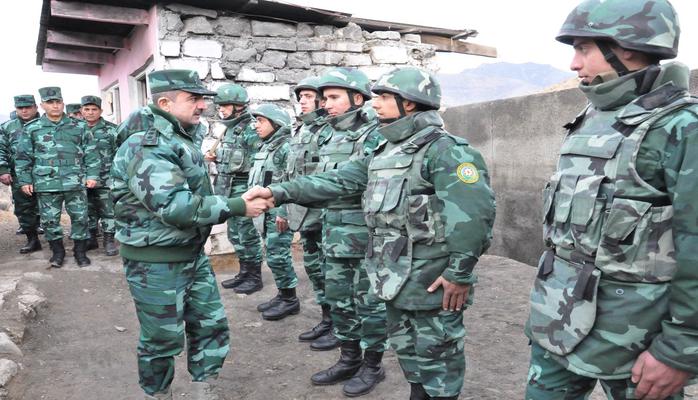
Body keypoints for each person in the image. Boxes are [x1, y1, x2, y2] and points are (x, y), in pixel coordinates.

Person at [245, 66, 495, 399]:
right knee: (408, 350)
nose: (375, 104)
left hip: (432, 278)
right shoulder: (386, 150)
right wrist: (277, 192)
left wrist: (459, 273)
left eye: (385, 97)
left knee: (438, 354)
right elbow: (337, 180)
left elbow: (475, 217)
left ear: (410, 103)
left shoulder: (446, 150)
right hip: (393, 273)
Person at [525, 1, 698, 399]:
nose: (573, 63)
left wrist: (680, 349)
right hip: (558, 323)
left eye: (583, 49)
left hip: (635, 341)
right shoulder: (590, 116)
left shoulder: (681, 128)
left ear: (628, 48)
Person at [111, 69, 271, 400]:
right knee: (162, 338)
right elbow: (176, 207)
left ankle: (202, 389)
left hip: (190, 254)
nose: (202, 105)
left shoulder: (180, 136)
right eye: (193, 98)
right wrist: (237, 205)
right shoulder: (147, 145)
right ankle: (158, 394)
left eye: (202, 99)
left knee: (210, 325)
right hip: (156, 261)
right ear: (165, 103)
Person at [15, 87, 99, 268]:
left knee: (80, 217)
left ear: (63, 103)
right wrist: (25, 180)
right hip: (46, 182)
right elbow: (23, 157)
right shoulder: (32, 128)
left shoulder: (79, 126)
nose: (55, 106)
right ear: (42, 105)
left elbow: (91, 153)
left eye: (58, 102)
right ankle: (58, 252)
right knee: (49, 220)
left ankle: (80, 252)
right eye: (50, 103)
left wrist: (92, 175)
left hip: (75, 181)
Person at [286, 76, 338, 350]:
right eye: (300, 97)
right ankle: (327, 318)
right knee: (315, 270)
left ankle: (340, 325)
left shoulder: (330, 130)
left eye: (308, 96)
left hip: (325, 214)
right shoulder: (302, 130)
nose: (302, 101)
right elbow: (291, 174)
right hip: (305, 214)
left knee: (333, 273)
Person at [204, 83, 264, 295]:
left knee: (247, 235)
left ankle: (255, 277)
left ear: (239, 106)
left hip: (243, 187)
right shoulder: (229, 129)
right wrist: (215, 157)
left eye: (225, 106)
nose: (221, 110)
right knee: (235, 234)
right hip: (228, 187)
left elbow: (258, 160)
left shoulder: (251, 128)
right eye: (220, 106)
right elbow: (233, 157)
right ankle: (244, 272)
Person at [246, 103, 301, 321]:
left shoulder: (286, 148)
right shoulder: (267, 147)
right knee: (272, 254)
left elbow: (292, 183)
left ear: (276, 124)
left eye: (261, 121)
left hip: (279, 212)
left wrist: (285, 212)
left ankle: (290, 300)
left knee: (279, 256)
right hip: (266, 211)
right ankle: (283, 294)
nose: (256, 126)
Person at [0, 95, 42, 253]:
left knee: (50, 207)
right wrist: (3, 170)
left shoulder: (46, 124)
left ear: (36, 107)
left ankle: (55, 241)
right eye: (20, 108)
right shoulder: (7, 127)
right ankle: (32, 240)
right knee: (23, 208)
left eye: (28, 107)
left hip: (46, 174)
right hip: (19, 174)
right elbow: (1, 148)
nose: (24, 111)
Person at [80, 95, 118, 256]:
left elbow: (119, 154)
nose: (90, 112)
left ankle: (109, 240)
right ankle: (91, 238)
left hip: (106, 178)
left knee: (108, 210)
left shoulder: (112, 130)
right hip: (82, 179)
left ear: (100, 111)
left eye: (94, 109)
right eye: (87, 109)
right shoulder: (75, 129)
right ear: (81, 111)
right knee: (87, 209)